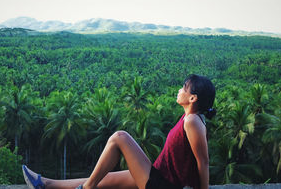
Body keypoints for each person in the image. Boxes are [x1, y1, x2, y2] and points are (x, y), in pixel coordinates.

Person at [23, 74, 216, 189]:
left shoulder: (192, 121)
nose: (179, 90)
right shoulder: (191, 118)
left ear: (192, 98)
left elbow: (203, 162)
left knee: (120, 137)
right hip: (156, 174)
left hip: (161, 185)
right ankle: (45, 184)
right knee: (103, 178)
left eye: (184, 88)